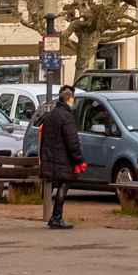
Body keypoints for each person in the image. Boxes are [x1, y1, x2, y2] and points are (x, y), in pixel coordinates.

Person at [37, 85, 85, 229]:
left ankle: (55, 217)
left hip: (51, 156)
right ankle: (56, 217)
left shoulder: (51, 114)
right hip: (63, 158)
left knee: (57, 184)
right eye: (73, 98)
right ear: (70, 98)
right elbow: (72, 140)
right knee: (65, 184)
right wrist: (79, 159)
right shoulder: (67, 116)